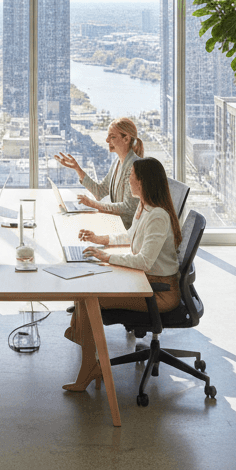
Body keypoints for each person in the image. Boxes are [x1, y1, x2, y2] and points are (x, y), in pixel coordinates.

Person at [65, 157, 182, 392]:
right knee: (84, 289)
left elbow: (144, 261)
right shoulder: (144, 206)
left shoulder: (158, 215)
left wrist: (106, 257)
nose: (128, 181)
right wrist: (101, 239)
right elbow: (130, 236)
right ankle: (82, 340)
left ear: (143, 182)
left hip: (160, 292)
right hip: (146, 281)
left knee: (89, 300)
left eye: (132, 177)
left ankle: (89, 363)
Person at [54, 116, 143, 227]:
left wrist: (94, 204)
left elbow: (129, 208)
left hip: (126, 229)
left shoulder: (135, 167)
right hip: (116, 223)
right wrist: (77, 169)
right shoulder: (117, 163)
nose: (107, 140)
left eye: (112, 137)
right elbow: (100, 192)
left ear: (126, 139)